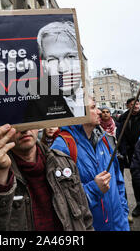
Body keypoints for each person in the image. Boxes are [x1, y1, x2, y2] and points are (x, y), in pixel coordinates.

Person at [0, 124, 94, 231]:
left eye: (29, 119)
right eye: (16, 123)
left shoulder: (64, 163)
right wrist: (0, 175)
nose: (25, 129)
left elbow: (85, 220)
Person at [51, 98, 130, 231]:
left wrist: (123, 212)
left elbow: (117, 179)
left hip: (118, 224)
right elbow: (61, 199)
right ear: (77, 112)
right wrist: (94, 189)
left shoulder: (103, 138)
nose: (99, 112)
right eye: (93, 107)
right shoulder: (63, 145)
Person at [24, 21, 84, 121]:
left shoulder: (91, 99)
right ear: (44, 65)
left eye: (70, 56)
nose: (62, 68)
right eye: (52, 59)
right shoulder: (37, 101)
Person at [118, 97, 140, 217]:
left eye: (137, 103)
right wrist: (124, 152)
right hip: (132, 153)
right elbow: (121, 137)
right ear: (128, 106)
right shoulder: (124, 118)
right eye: (132, 104)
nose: (136, 105)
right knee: (136, 179)